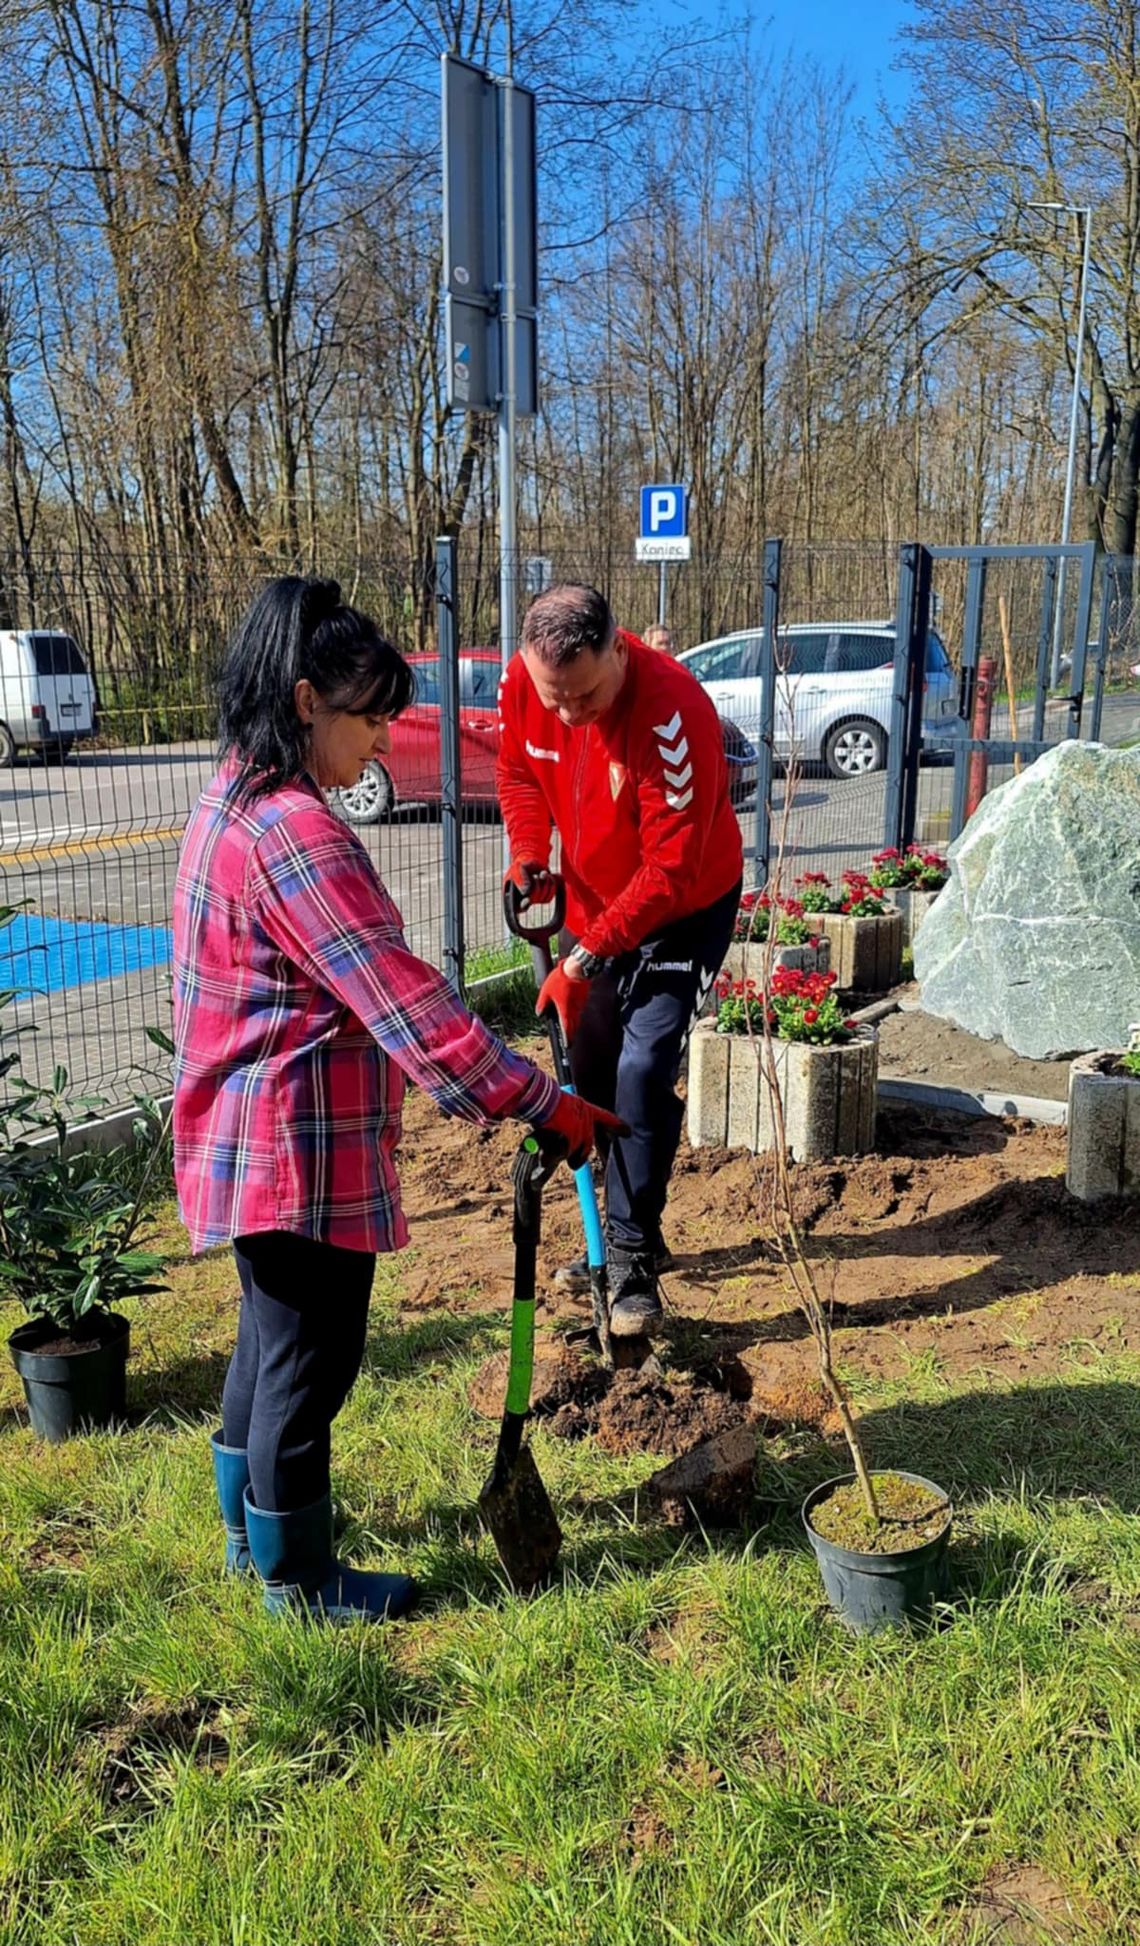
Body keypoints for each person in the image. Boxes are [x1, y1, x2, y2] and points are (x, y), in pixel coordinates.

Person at [173, 577, 620, 1624]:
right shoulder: (296, 835)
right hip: (294, 1140)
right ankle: (298, 1579)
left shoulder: (229, 794)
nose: (381, 742)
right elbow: (408, 1007)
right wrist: (542, 1099)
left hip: (242, 1133)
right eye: (369, 719)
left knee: (266, 1340)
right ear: (302, 704)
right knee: (311, 1359)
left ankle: (251, 1536)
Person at [496, 584, 743, 1337]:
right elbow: (517, 775)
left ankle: (632, 1257)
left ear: (617, 648)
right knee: (595, 1069)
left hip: (686, 909)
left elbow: (670, 869)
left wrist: (586, 959)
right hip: (596, 904)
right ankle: (631, 1219)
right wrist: (531, 855)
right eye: (555, 697)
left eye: (585, 695)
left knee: (642, 1066)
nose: (569, 713)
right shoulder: (522, 684)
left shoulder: (674, 712)